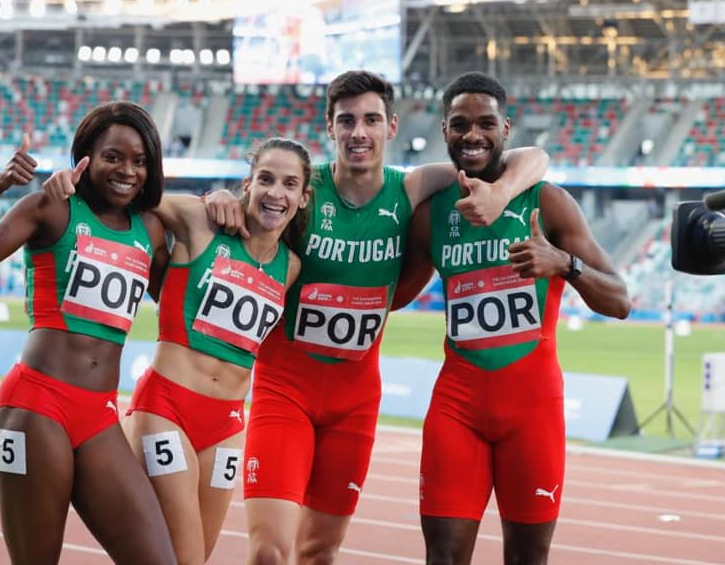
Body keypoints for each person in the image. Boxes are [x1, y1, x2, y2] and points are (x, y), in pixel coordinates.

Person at [206, 69, 550, 565]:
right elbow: (250, 203)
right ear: (330, 127)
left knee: (320, 552)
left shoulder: (412, 188)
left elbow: (531, 157)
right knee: (270, 554)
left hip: (355, 402)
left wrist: (498, 194)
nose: (358, 133)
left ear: (392, 126)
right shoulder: (304, 189)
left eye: (370, 120)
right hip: (286, 392)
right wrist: (216, 199)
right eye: (346, 121)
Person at [392, 71, 631, 565]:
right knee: (444, 557)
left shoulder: (546, 201)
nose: (472, 134)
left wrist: (565, 264)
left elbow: (620, 300)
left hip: (533, 410)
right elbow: (392, 297)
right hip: (457, 407)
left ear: (507, 128)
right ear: (444, 131)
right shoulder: (432, 215)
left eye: (485, 123)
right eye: (460, 124)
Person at [44, 137, 313, 565]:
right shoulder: (199, 221)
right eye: (265, 179)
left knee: (192, 557)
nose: (275, 193)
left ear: (302, 198)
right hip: (166, 409)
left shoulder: (291, 267)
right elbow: (138, 199)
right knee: (182, 558)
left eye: (289, 184)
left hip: (226, 424)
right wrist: (210, 197)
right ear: (248, 183)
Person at [0, 102, 177, 565]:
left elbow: (182, 301)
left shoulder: (149, 231)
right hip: (35, 406)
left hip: (101, 415)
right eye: (113, 156)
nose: (127, 170)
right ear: (84, 157)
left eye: (140, 160)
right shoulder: (51, 208)